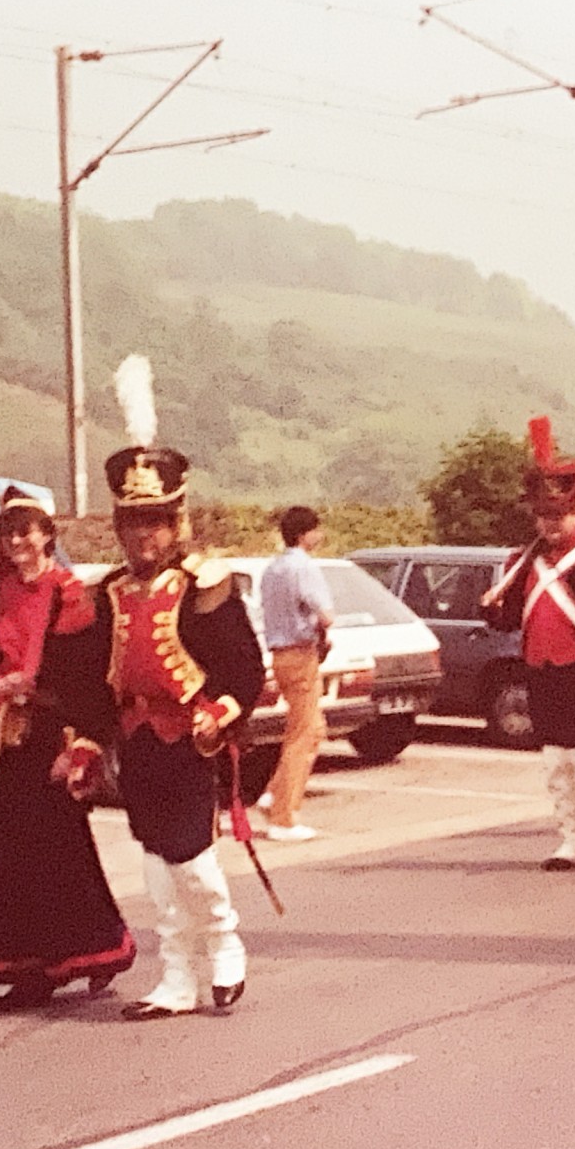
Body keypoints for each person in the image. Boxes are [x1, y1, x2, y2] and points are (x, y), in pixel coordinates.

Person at [66, 355, 268, 1022]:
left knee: (192, 860)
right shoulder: (111, 593)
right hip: (138, 743)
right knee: (155, 867)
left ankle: (226, 944)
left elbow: (245, 668)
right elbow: (97, 685)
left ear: (176, 520)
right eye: (132, 521)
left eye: (154, 520)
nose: (143, 534)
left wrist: (222, 711)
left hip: (191, 740)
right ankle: (176, 978)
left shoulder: (206, 586)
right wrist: (90, 744)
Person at [0, 486, 136, 1009]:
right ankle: (35, 965)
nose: (18, 542)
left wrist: (76, 743)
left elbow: (85, 680)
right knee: (11, 854)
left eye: (28, 531)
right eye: (10, 533)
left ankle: (89, 953)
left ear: (48, 534)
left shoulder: (71, 596)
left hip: (51, 734)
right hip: (7, 737)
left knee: (63, 852)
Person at [483, 416, 575, 871]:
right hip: (540, 670)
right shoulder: (521, 563)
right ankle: (569, 838)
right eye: (543, 515)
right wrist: (491, 604)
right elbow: (508, 622)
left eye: (558, 514)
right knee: (555, 765)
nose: (550, 522)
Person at [257, 505, 337, 841]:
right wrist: (324, 623)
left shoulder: (273, 568)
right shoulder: (304, 567)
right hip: (301, 652)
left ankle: (274, 792)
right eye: (316, 530)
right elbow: (325, 612)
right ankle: (284, 817)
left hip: (279, 653)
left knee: (312, 726)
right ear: (305, 534)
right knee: (303, 735)